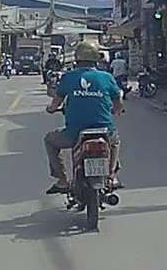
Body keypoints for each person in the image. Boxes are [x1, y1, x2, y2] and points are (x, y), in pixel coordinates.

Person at [44, 43, 123, 194]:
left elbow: (56, 102)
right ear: (96, 60)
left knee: (49, 140)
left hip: (74, 134)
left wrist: (51, 109)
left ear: (76, 59)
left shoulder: (68, 77)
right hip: (104, 131)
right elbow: (118, 102)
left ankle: (62, 180)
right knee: (115, 141)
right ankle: (112, 175)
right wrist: (116, 110)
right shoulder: (107, 77)